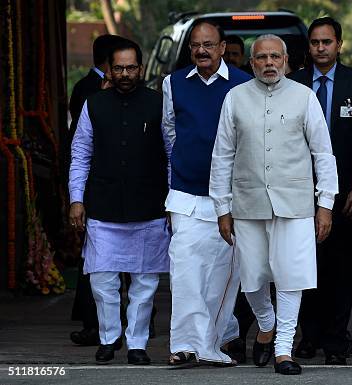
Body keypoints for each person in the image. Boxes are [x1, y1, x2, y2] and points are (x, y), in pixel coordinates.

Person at [209, 34, 338, 375]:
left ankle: (283, 347)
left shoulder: (304, 97)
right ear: (251, 63)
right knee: (251, 278)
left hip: (294, 203)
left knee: (291, 276)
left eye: (274, 57)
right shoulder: (235, 98)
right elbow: (222, 155)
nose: (268, 63)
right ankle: (266, 322)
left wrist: (325, 203)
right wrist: (222, 207)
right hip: (247, 202)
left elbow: (323, 153)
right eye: (261, 58)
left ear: (285, 61)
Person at [68, 39, 169, 365]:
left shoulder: (158, 103)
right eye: (119, 68)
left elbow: (172, 155)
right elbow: (80, 155)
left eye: (131, 67)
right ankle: (109, 338)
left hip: (149, 206)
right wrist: (76, 200)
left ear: (141, 69)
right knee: (102, 282)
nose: (125, 74)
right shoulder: (94, 104)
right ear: (109, 70)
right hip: (103, 205)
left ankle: (137, 343)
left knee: (144, 284)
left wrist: (171, 200)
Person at [162, 20, 251, 367]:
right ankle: (184, 346)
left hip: (229, 201)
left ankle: (210, 343)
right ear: (190, 49)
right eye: (196, 45)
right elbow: (169, 132)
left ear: (222, 46)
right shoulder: (173, 83)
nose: (202, 51)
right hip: (184, 193)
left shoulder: (244, 84)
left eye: (209, 45)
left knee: (219, 276)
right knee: (184, 271)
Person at [288, 16, 352, 365]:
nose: (321, 48)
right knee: (305, 267)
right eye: (315, 43)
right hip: (299, 191)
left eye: (327, 42)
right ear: (308, 46)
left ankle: (337, 341)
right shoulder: (292, 83)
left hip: (344, 194)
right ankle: (309, 337)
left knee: (340, 270)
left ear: (339, 44)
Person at [68, 33, 126, 347]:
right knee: (96, 262)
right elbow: (81, 146)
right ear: (109, 61)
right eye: (120, 64)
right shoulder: (87, 91)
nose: (125, 72)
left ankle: (127, 323)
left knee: (131, 263)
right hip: (98, 188)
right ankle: (96, 325)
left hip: (128, 189)